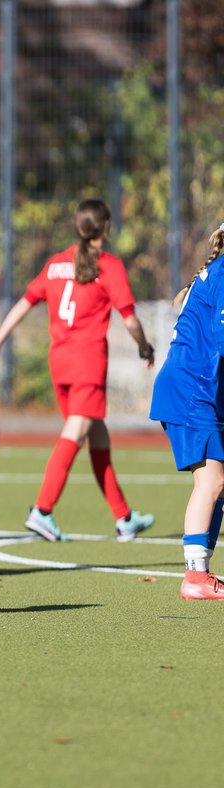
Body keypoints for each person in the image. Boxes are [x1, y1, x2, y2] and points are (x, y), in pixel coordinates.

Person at [0, 199, 156, 542]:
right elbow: (130, 319)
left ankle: (124, 518)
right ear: (106, 227)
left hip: (59, 363)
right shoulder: (109, 266)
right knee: (76, 432)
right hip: (87, 363)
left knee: (96, 434)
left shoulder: (56, 264)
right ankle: (42, 511)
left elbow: (24, 303)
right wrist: (144, 347)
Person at [149, 222, 224, 600]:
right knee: (211, 482)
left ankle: (201, 573)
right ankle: (195, 577)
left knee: (220, 483)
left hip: (195, 389)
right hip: (192, 391)